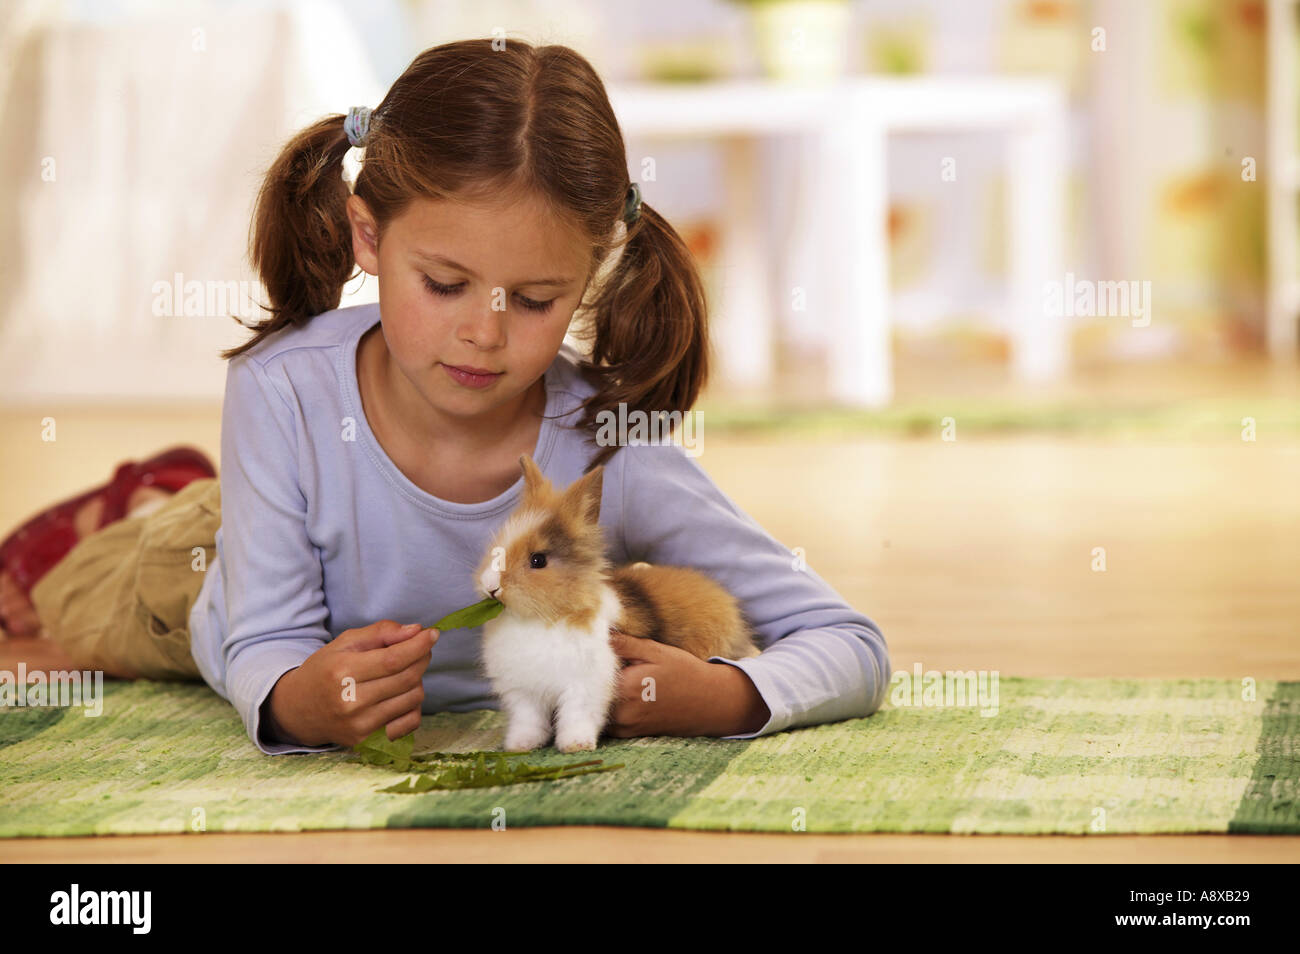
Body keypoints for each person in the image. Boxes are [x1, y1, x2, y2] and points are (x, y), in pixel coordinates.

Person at [1, 38, 890, 756]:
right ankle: (147, 498)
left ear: (589, 279)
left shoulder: (610, 444)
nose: (486, 333)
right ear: (368, 235)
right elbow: (262, 641)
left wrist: (727, 694)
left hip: (273, 518)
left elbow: (848, 642)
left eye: (536, 301)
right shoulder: (279, 391)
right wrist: (293, 701)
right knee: (63, 613)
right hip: (182, 578)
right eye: (446, 284)